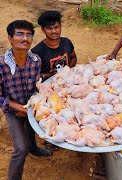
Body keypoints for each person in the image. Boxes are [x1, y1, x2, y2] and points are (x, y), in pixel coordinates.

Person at [0, 20, 53, 180]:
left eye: (29, 35)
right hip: (12, 109)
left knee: (31, 129)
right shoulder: (1, 65)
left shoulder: (35, 60)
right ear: (10, 38)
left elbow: (35, 87)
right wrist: (21, 108)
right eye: (20, 34)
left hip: (30, 105)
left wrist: (32, 105)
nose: (25, 38)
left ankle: (34, 148)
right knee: (20, 149)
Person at [31, 10, 77, 81]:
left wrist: (67, 70)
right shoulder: (37, 52)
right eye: (49, 28)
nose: (54, 31)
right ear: (43, 30)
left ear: (61, 27)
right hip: (48, 88)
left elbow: (73, 57)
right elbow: (32, 75)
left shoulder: (66, 42)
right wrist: (54, 76)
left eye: (56, 27)